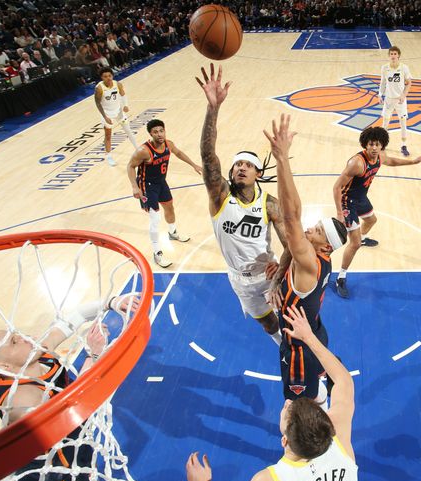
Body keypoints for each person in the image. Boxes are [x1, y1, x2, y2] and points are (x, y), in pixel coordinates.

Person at [0, 295, 138, 481]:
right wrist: (93, 355)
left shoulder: (38, 352)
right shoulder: (20, 400)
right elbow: (72, 411)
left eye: (15, 333)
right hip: (51, 473)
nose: (23, 337)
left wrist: (113, 302)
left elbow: (75, 317)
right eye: (14, 342)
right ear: (4, 367)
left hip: (72, 449)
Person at [186, 304, 369, 481]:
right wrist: (310, 337)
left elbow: (343, 381)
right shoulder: (340, 442)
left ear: (284, 441)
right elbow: (344, 380)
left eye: (287, 409)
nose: (288, 402)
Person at [196, 63, 291, 344]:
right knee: (268, 323)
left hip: (268, 272)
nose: (241, 167)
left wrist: (280, 273)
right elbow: (207, 155)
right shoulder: (220, 196)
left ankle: (305, 359)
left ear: (257, 174)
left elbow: (291, 246)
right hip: (239, 279)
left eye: (248, 165)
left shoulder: (269, 204)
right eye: (237, 163)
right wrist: (213, 108)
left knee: (291, 316)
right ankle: (282, 349)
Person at [256, 111, 347, 402]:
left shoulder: (308, 260)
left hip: (299, 349)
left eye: (317, 230)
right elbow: (296, 214)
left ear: (325, 247)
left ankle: (321, 402)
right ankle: (323, 382)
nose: (310, 228)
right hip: (314, 331)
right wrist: (278, 283)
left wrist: (282, 159)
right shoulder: (320, 259)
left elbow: (291, 216)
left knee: (301, 405)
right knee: (311, 386)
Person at [332, 126, 421, 299]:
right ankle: (341, 277)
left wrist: (413, 161)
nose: (374, 148)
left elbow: (392, 161)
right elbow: (337, 186)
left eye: (377, 144)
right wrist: (340, 212)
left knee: (371, 220)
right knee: (353, 244)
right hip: (348, 202)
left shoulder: (380, 156)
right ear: (365, 145)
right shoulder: (357, 163)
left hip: (361, 197)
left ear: (381, 145)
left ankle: (360, 239)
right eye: (371, 144)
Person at [127, 119, 200, 267]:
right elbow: (130, 166)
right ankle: (157, 253)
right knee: (155, 218)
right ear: (150, 134)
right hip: (146, 185)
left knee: (169, 207)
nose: (159, 134)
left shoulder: (169, 144)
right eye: (155, 132)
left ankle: (172, 233)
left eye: (161, 131)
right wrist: (135, 187)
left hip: (161, 182)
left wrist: (193, 165)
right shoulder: (143, 151)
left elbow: (178, 153)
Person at [94, 67, 139, 166]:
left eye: (109, 76)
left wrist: (126, 105)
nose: (108, 78)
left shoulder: (117, 84)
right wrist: (105, 117)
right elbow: (97, 103)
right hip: (107, 113)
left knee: (128, 130)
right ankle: (109, 156)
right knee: (108, 135)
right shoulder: (99, 88)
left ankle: (138, 149)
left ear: (112, 75)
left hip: (118, 111)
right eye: (105, 76)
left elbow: (123, 95)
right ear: (102, 77)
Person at [379, 45, 412, 156]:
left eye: (395, 54)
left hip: (400, 100)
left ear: (398, 56)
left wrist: (403, 95)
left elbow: (409, 83)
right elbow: (383, 82)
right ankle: (383, 143)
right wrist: (380, 94)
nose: (393, 56)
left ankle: (404, 145)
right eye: (391, 54)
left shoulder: (404, 68)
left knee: (402, 122)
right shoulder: (384, 68)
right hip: (389, 99)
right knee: (385, 122)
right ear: (389, 56)